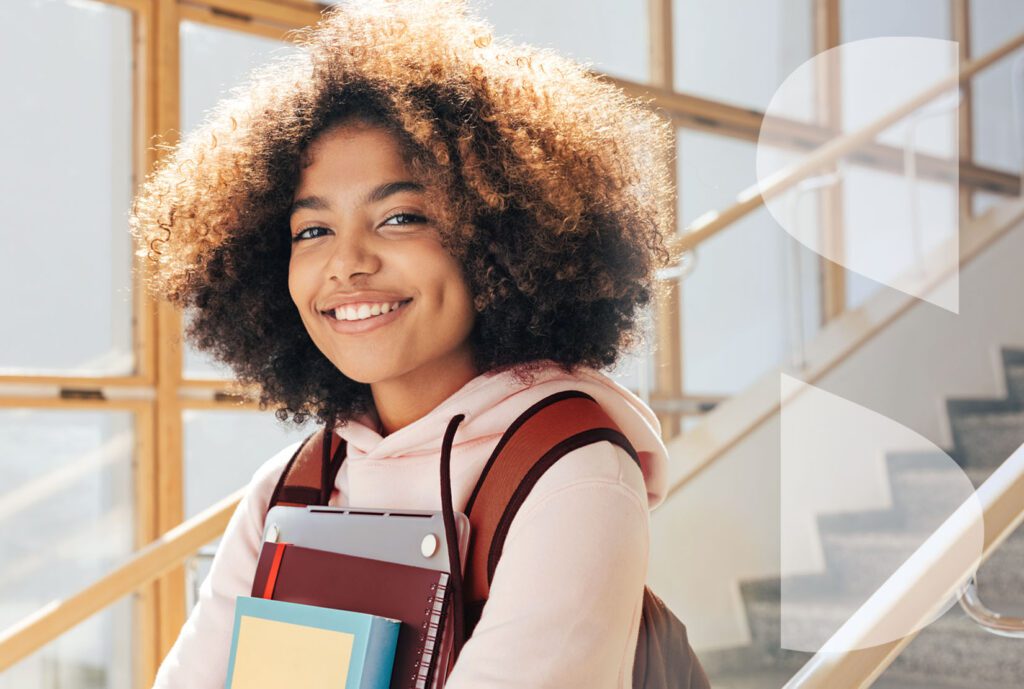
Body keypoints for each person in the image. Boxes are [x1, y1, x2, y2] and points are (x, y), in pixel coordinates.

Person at [129, 1, 678, 687]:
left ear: (498, 239)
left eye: (400, 217)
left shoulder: (573, 473)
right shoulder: (293, 487)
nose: (347, 262)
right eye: (312, 230)